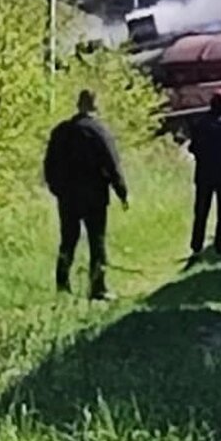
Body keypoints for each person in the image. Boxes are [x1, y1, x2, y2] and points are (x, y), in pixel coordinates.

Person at [42, 89, 128, 301]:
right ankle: (97, 287)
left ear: (78, 104)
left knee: (68, 240)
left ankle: (62, 285)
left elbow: (49, 164)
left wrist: (57, 189)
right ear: (95, 106)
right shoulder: (99, 131)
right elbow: (112, 163)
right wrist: (121, 191)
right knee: (96, 241)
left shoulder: (61, 131)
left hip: (68, 196)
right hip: (94, 196)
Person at [186, 90, 221, 261]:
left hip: (204, 174)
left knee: (201, 211)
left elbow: (192, 148)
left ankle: (196, 245)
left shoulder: (201, 124)